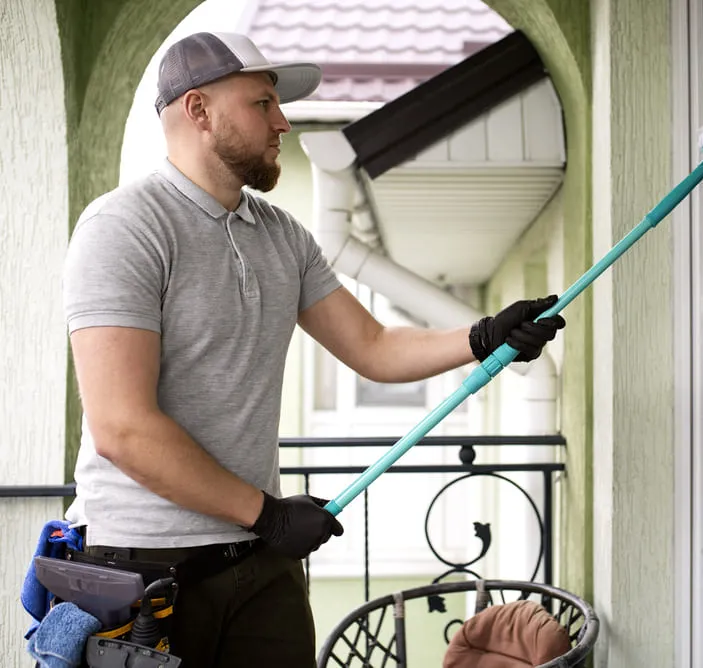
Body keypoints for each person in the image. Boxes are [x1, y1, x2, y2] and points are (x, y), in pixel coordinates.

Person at [61, 31, 564, 667]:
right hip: (146, 570)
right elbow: (123, 429)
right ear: (198, 110)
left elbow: (374, 346)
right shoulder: (125, 228)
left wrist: (483, 336)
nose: (283, 122)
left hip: (258, 564)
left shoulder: (281, 236)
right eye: (263, 104)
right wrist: (266, 515)